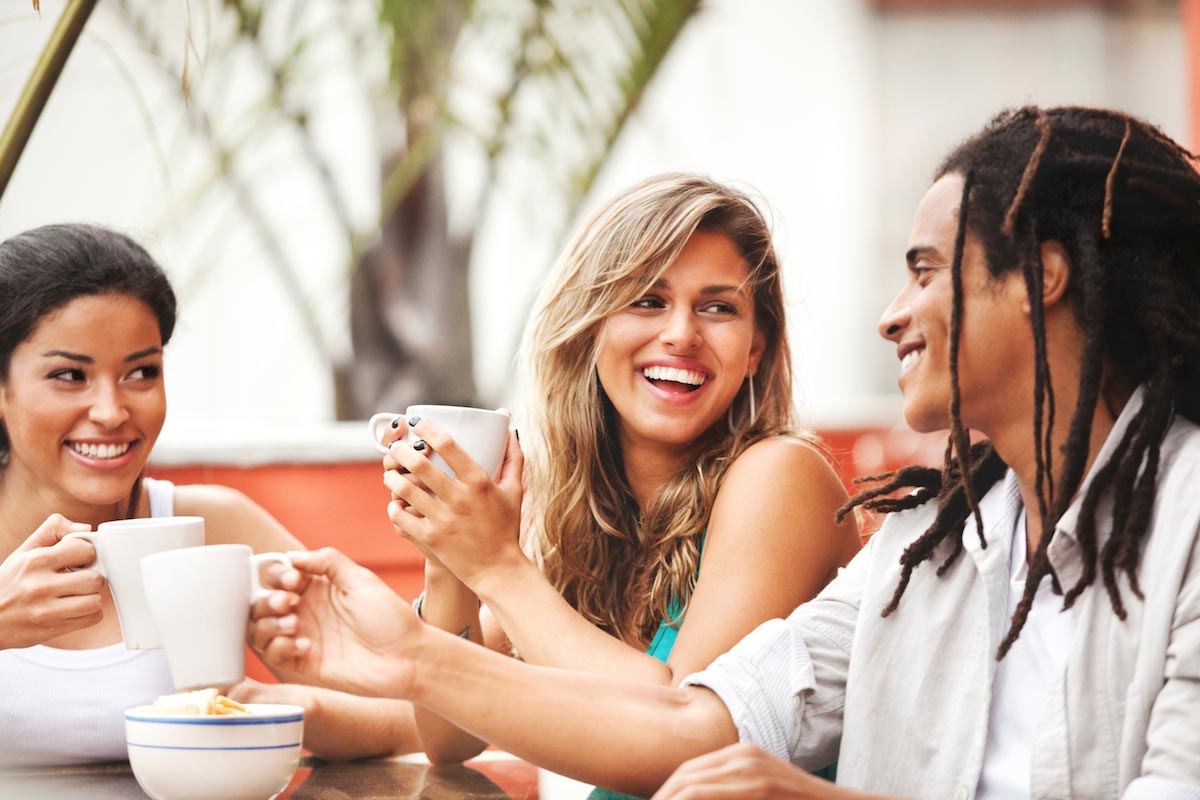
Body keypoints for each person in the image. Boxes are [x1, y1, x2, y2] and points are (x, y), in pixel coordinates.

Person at [253, 105, 1200, 799]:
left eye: (923, 271)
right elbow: (696, 723)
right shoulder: (933, 546)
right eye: (647, 300)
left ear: (1041, 277)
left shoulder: (1188, 519)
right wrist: (414, 647)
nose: (890, 316)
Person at [372, 173, 861, 774]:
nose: (682, 334)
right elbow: (451, 738)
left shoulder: (783, 477)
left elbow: (679, 733)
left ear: (756, 347)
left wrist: (496, 565)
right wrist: (448, 557)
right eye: (648, 301)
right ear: (591, 327)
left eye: (717, 307)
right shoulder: (586, 517)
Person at [0, 223, 419, 766]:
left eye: (141, 372)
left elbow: (420, 713)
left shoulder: (212, 529)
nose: (111, 412)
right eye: (69, 376)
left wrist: (285, 708)